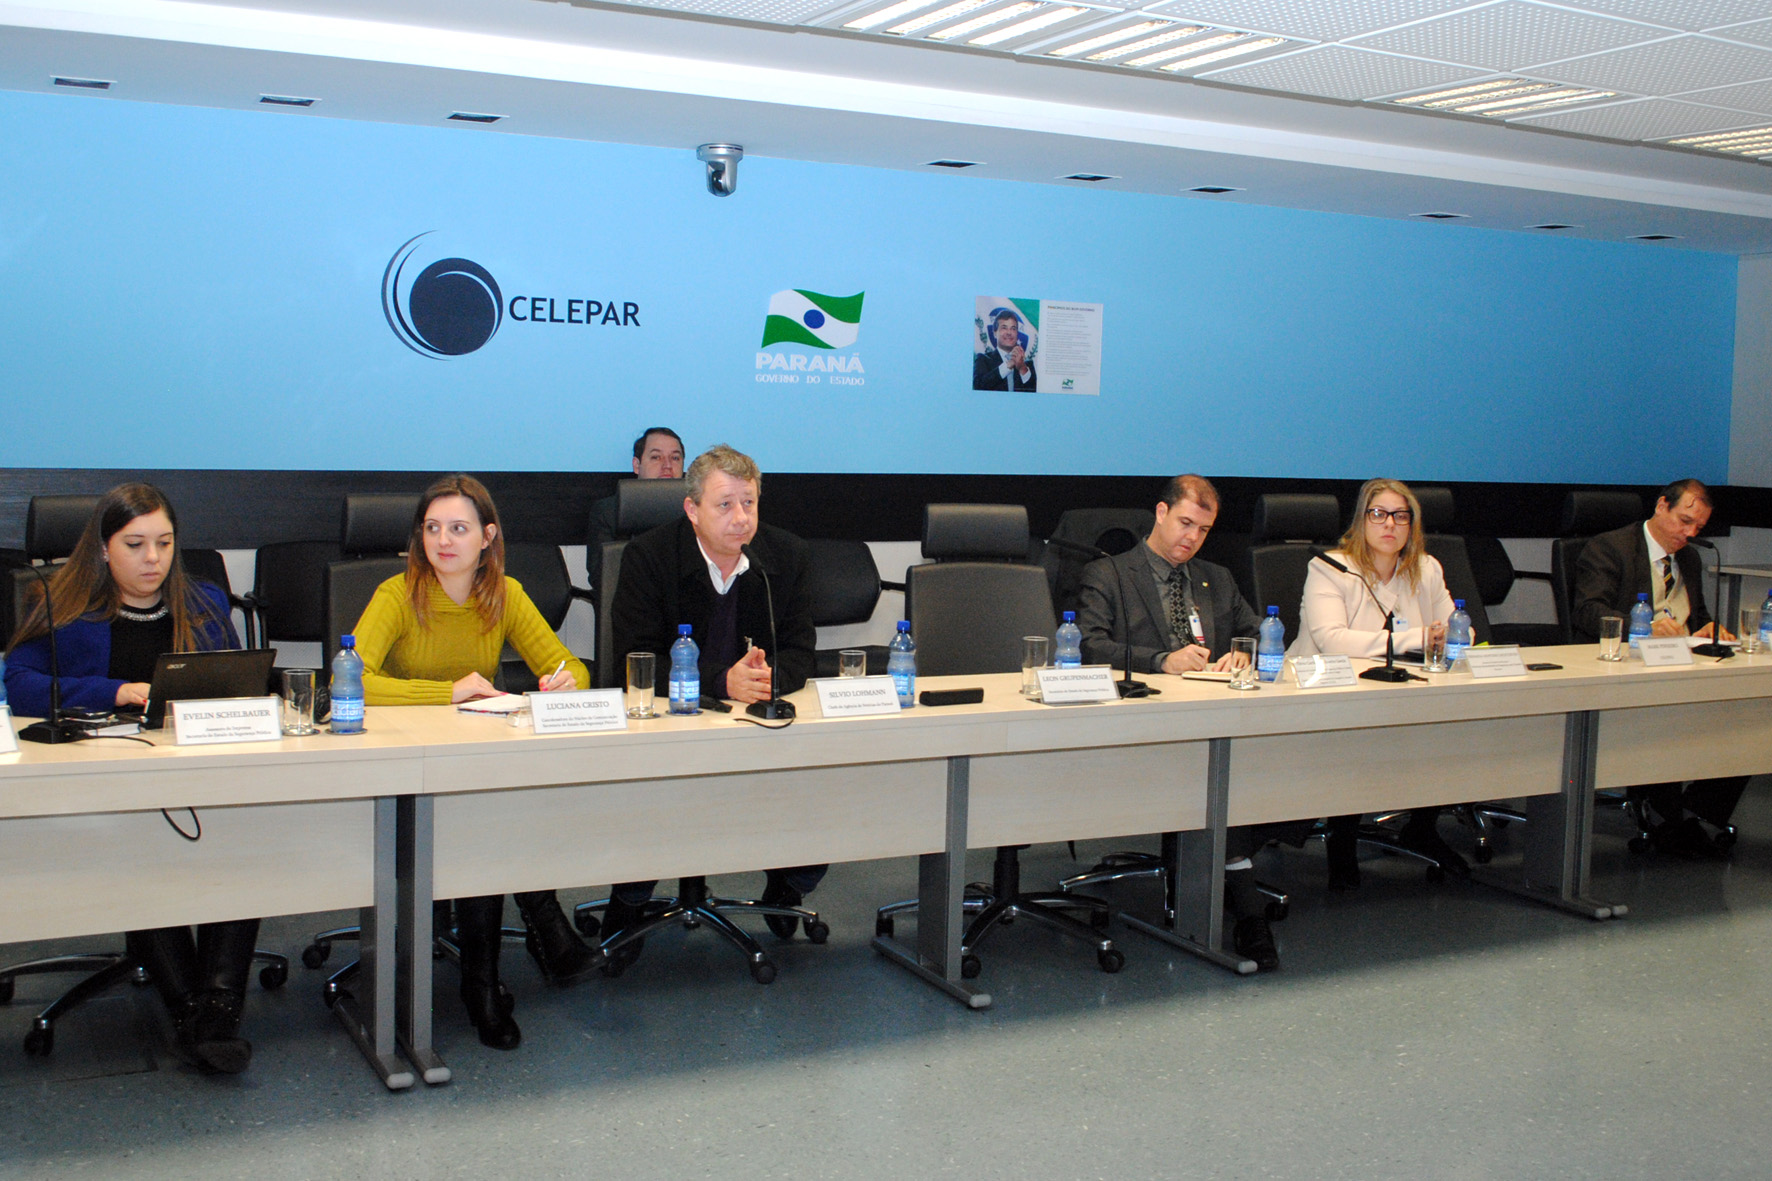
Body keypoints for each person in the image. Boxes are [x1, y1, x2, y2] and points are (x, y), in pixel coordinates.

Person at [4, 484, 263, 1073]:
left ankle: (215, 1008)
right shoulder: (66, 606)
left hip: (197, 771)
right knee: (142, 843)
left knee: (246, 839)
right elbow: (16, 683)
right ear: (103, 548)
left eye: (165, 543)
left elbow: (236, 679)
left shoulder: (203, 601)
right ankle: (193, 1012)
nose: (153, 558)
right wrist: (115, 691)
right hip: (103, 783)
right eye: (135, 544)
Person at [352, 474, 596, 1050]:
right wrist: (446, 692)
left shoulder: (504, 593)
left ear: (487, 537)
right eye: (432, 528)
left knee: (490, 813)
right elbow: (350, 682)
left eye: (458, 529)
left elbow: (573, 668)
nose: (443, 541)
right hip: (403, 768)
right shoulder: (397, 595)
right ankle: (525, 945)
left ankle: (487, 978)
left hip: (473, 765)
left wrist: (564, 682)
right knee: (487, 821)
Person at [605, 444, 821, 968]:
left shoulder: (785, 556)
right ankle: (629, 900)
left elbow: (800, 650)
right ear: (692, 509)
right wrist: (722, 681)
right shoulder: (649, 557)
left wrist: (766, 679)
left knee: (824, 777)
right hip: (668, 724)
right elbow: (636, 658)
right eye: (725, 505)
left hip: (753, 723)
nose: (741, 518)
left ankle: (788, 884)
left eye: (749, 503)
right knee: (651, 791)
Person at [1075, 473, 1297, 971]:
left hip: (1216, 718)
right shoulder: (1109, 574)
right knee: (1221, 780)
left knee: (1268, 766)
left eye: (1203, 529)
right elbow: (1090, 645)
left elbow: (1257, 629)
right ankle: (1248, 913)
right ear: (1161, 513)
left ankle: (1224, 876)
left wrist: (1244, 652)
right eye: (1185, 523)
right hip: (1142, 726)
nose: (1192, 537)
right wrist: (1161, 660)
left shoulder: (1216, 577)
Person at [1288, 478, 1467, 887]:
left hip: (1400, 688)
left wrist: (1451, 636)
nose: (1390, 524)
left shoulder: (1426, 568)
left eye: (1401, 516)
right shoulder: (1331, 568)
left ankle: (1423, 827)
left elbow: (1459, 628)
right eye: (1379, 514)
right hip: (1326, 691)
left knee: (1447, 726)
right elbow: (1333, 640)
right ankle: (1342, 838)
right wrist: (1418, 638)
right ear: (1362, 520)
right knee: (1358, 735)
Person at [1571, 478, 1746, 858]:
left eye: (1699, 527)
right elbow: (1587, 611)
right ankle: (1668, 819)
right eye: (1685, 521)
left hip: (1681, 667)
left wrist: (1708, 628)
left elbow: (1696, 617)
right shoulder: (1610, 548)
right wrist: (1644, 627)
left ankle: (1696, 812)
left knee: (1746, 714)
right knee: (1663, 715)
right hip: (1628, 670)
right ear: (1662, 505)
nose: (1690, 533)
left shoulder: (1689, 558)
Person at [587, 427, 685, 587]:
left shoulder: (696, 512)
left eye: (675, 458)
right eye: (656, 457)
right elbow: (601, 578)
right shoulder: (608, 512)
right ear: (637, 465)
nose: (667, 465)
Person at [972, 308, 1036, 392]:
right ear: (995, 333)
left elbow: (1033, 392)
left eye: (1013, 328)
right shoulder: (983, 360)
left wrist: (1022, 368)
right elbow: (978, 387)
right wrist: (1008, 365)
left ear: (1017, 334)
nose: (1009, 333)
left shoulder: (1027, 364)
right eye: (1004, 328)